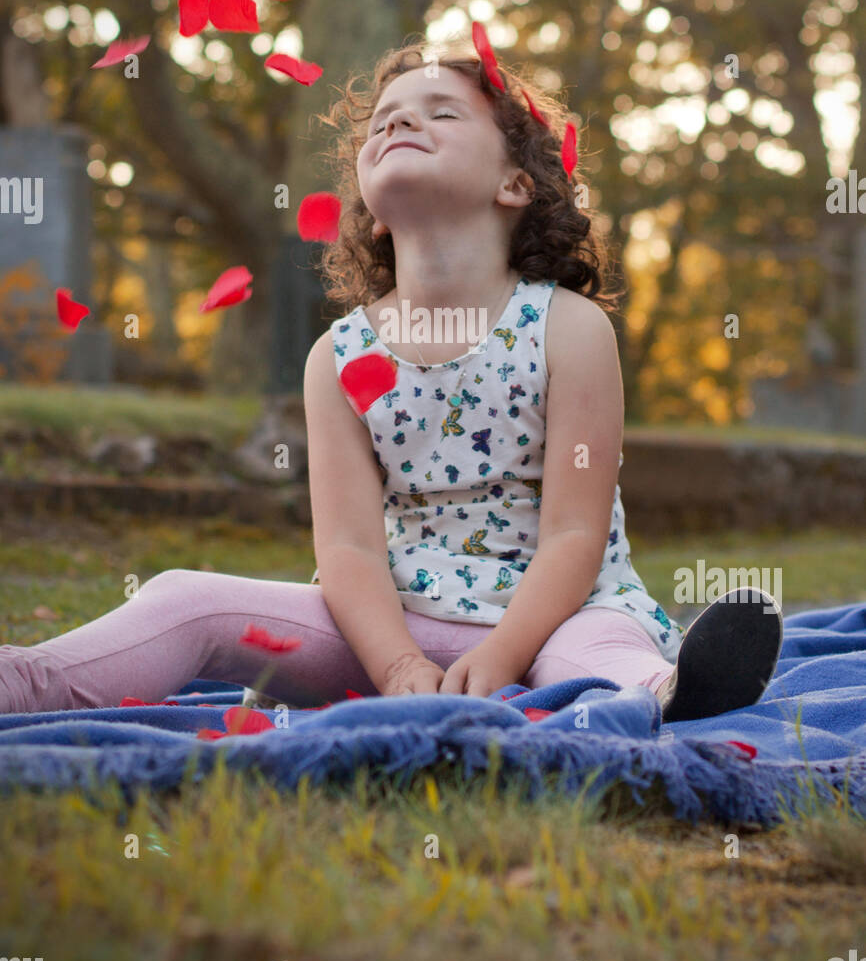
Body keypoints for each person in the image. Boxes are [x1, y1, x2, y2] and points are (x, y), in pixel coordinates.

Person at [0, 38, 782, 719]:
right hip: (384, 627)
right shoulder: (336, 358)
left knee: (597, 654)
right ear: (372, 211)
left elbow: (576, 533)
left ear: (516, 185)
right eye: (385, 120)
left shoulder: (566, 329)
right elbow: (347, 548)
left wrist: (506, 654)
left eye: (442, 113)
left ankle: (672, 691)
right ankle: (30, 680)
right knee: (181, 596)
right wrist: (400, 666)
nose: (401, 121)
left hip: (555, 617)